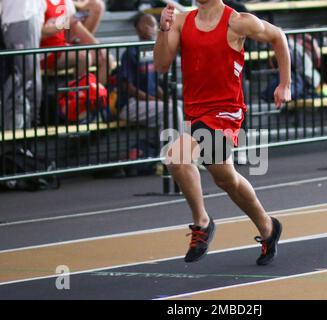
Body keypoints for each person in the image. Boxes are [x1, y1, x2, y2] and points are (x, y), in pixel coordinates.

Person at [154, 0, 291, 265]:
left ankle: (202, 223)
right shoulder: (181, 21)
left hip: (226, 111)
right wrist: (163, 30)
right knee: (226, 179)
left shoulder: (238, 21)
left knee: (177, 156)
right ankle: (268, 228)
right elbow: (161, 65)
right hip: (196, 111)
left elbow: (278, 36)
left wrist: (284, 84)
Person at [117, 13, 183, 130]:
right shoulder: (131, 52)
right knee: (171, 110)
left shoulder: (153, 51)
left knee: (181, 106)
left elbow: (154, 84)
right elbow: (128, 87)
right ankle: (172, 148)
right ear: (139, 28)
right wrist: (156, 100)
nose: (152, 27)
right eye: (148, 24)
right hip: (131, 104)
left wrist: (166, 99)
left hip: (149, 102)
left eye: (153, 25)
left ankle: (186, 144)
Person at [40, 0, 111, 85]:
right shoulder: (39, 3)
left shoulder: (66, 2)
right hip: (44, 52)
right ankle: (78, 95)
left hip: (62, 47)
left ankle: (95, 95)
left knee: (105, 58)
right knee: (83, 57)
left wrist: (96, 45)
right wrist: (64, 24)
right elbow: (40, 32)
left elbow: (75, 25)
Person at [0, 0, 44, 130]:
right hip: (16, 20)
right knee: (21, 80)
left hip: (21, 19)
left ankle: (25, 130)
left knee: (25, 80)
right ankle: (20, 132)